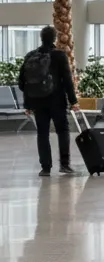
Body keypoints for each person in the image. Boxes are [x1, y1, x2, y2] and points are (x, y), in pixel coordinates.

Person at [18, 26, 78, 177]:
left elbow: (23, 83)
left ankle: (45, 168)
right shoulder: (59, 55)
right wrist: (73, 101)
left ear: (41, 38)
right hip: (57, 101)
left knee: (42, 133)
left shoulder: (30, 56)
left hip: (37, 102)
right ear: (54, 39)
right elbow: (67, 80)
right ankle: (64, 164)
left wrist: (28, 104)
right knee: (62, 131)